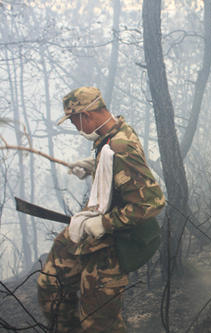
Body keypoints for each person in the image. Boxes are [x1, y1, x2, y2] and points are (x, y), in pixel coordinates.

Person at [37, 87, 165, 332]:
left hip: (114, 242)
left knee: (98, 322)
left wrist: (103, 223)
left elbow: (152, 202)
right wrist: (93, 167)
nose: (74, 126)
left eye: (74, 119)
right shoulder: (111, 136)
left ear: (87, 114)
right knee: (50, 284)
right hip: (92, 232)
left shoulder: (120, 146)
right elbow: (118, 175)